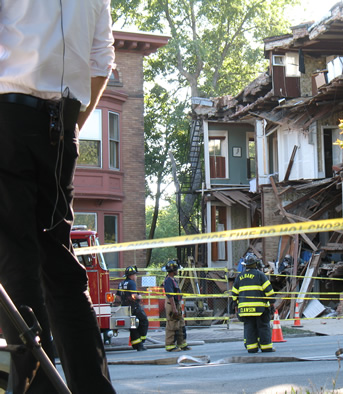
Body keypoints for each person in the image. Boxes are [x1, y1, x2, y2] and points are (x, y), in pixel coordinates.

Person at [0, 1, 115, 392]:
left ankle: (37, 388)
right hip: (61, 125)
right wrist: (72, 128)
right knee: (59, 264)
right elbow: (102, 64)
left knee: (16, 258)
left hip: (8, 115)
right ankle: (92, 387)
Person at [232, 253, 276, 353]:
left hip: (245, 310)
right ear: (255, 264)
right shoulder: (260, 275)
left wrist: (235, 305)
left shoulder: (240, 277)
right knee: (263, 327)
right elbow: (269, 291)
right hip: (259, 309)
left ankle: (252, 348)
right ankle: (266, 347)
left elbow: (234, 294)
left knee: (249, 328)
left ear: (245, 265)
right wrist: (272, 304)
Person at [118, 266, 149, 351]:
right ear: (131, 275)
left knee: (133, 326)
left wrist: (125, 301)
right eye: (135, 275)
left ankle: (137, 344)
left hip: (126, 309)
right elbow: (134, 296)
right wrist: (139, 296)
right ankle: (141, 341)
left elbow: (118, 296)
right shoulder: (131, 283)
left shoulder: (121, 283)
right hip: (134, 308)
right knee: (144, 321)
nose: (136, 276)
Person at [163, 260, 191, 352]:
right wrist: (174, 308)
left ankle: (182, 344)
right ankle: (170, 346)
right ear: (172, 270)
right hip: (172, 304)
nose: (178, 271)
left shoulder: (173, 279)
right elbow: (170, 296)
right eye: (176, 269)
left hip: (176, 304)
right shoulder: (168, 281)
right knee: (172, 325)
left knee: (180, 324)